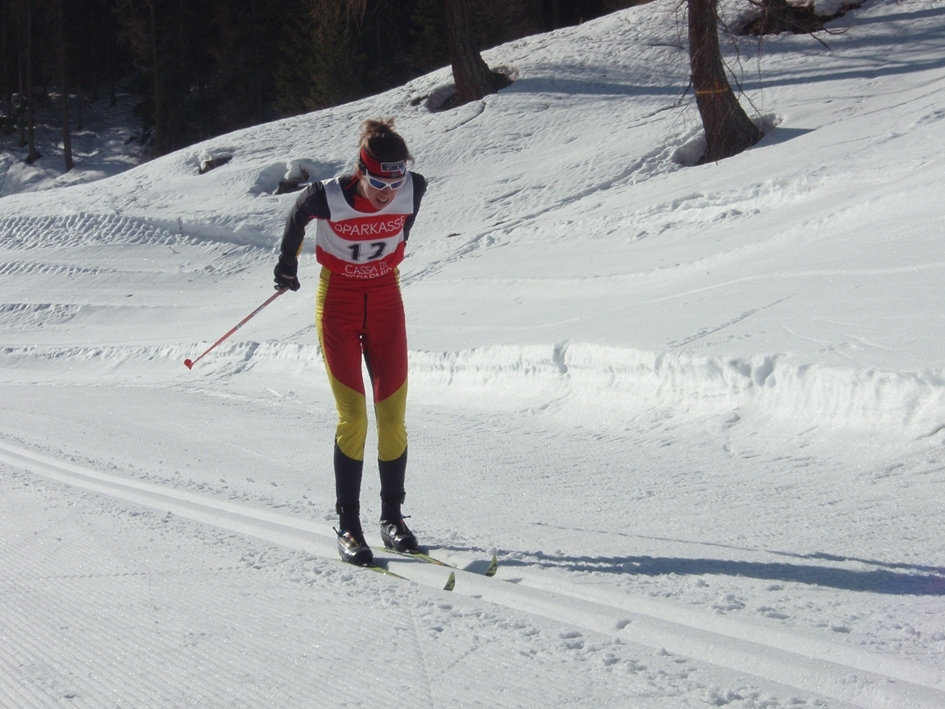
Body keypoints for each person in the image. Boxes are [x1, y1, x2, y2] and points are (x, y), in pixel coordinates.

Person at [274, 118, 427, 566]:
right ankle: (348, 526)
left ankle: (392, 519)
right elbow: (297, 215)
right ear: (361, 171)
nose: (387, 192)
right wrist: (287, 264)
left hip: (385, 300)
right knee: (354, 417)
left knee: (393, 418)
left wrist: (393, 241)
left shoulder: (413, 188)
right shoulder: (327, 196)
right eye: (378, 182)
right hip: (338, 303)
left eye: (394, 182)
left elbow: (403, 221)